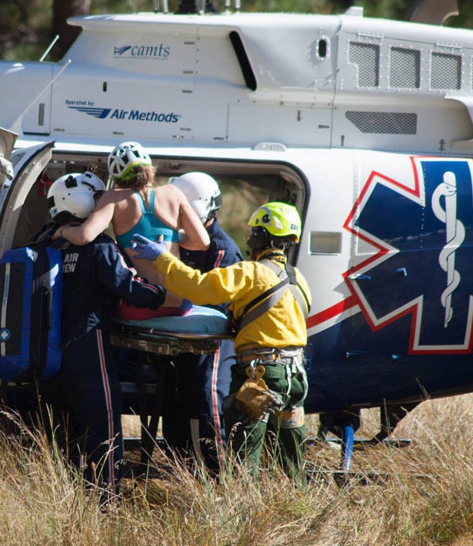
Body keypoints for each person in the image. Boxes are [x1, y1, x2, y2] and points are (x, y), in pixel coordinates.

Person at [128, 201, 311, 486]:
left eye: (254, 233)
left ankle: (239, 514)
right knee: (291, 454)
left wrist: (162, 258)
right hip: (296, 376)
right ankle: (300, 502)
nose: (249, 238)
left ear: (264, 236)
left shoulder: (251, 272)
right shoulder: (299, 279)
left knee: (244, 453)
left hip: (261, 376)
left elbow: (199, 288)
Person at [41, 171, 167, 499]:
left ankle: (63, 496)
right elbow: (129, 286)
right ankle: (104, 500)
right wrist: (160, 291)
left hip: (52, 353)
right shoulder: (99, 247)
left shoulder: (48, 242)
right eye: (98, 201)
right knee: (104, 423)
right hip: (89, 346)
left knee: (65, 431)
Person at [54, 141, 209, 320]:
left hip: (145, 306)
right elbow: (203, 243)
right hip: (180, 304)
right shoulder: (173, 192)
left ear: (117, 176)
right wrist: (172, 239)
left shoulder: (114, 197)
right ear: (149, 167)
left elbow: (84, 236)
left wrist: (62, 231)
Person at [161, 172, 242, 472]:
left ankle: (219, 472)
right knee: (177, 401)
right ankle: (183, 469)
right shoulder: (178, 240)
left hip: (214, 339)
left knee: (209, 398)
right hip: (182, 338)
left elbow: (217, 301)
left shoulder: (222, 250)